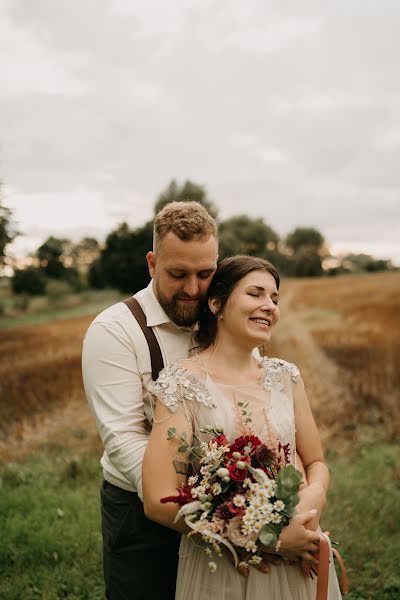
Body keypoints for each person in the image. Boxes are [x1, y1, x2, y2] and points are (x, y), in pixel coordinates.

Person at [142, 255, 342, 599]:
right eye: (256, 294)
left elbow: (316, 462)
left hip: (300, 553)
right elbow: (158, 501)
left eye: (274, 299)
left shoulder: (286, 377)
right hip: (226, 567)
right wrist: (269, 539)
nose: (269, 306)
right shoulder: (182, 383)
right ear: (217, 303)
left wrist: (313, 498)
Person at [82, 201, 219, 600]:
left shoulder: (224, 320)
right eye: (178, 274)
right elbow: (123, 439)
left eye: (205, 274)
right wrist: (190, 512)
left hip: (220, 498)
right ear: (152, 264)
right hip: (140, 512)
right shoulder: (114, 331)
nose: (193, 288)